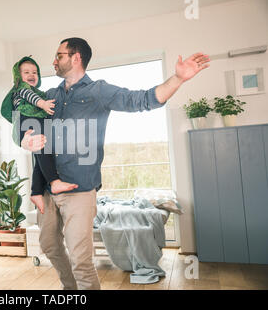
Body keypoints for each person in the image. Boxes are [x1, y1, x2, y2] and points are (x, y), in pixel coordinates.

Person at [20, 37, 210, 290]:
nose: (54, 61)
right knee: (49, 246)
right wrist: (24, 140)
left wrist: (178, 79)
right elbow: (26, 127)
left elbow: (141, 100)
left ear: (76, 58)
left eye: (60, 55)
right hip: (48, 188)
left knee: (80, 259)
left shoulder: (98, 91)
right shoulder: (50, 95)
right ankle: (70, 289)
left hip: (79, 188)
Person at [0, 56, 78, 213]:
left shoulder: (39, 92)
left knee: (42, 155)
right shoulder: (20, 89)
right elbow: (31, 97)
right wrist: (43, 104)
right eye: (26, 72)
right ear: (18, 77)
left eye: (35, 72)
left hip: (34, 123)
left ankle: (36, 192)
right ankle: (54, 181)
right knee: (43, 151)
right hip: (26, 122)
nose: (31, 75)